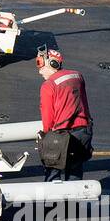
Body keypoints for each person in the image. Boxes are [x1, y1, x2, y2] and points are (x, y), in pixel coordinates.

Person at [36, 48, 92, 181]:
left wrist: (45, 136)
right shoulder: (77, 76)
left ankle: (52, 201)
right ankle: (74, 201)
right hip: (83, 131)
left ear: (52, 64)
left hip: (61, 136)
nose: (39, 71)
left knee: (52, 173)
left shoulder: (48, 86)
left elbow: (47, 115)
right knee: (75, 173)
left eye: (39, 64)